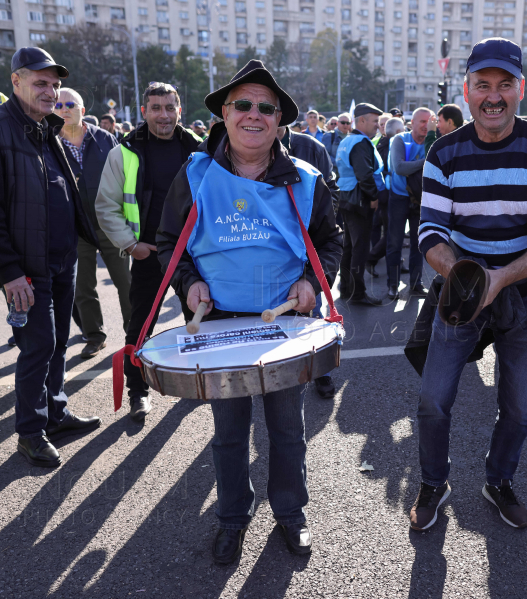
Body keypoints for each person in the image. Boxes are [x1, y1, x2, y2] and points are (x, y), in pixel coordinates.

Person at [157, 59, 342, 564]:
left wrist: (311, 282)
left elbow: (330, 241)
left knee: (287, 430)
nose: (254, 114)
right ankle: (233, 518)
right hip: (219, 328)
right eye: (243, 104)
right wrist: (191, 284)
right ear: (224, 113)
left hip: (284, 327)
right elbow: (171, 244)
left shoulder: (306, 179)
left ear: (279, 120)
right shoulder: (195, 173)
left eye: (267, 106)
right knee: (230, 433)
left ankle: (290, 514)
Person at [411, 38, 527, 532]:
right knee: (432, 400)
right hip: (461, 290)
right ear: (466, 90)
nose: (493, 95)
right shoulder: (443, 150)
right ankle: (433, 482)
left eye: (504, 84)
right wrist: (469, 277)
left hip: (524, 290)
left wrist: (501, 277)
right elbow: (429, 234)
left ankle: (499, 480)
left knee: (519, 410)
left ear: (520, 89)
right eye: (482, 84)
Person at [0, 47, 102, 468]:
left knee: (58, 343)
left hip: (61, 259)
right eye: (41, 83)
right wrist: (10, 273)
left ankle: (55, 412)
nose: (51, 91)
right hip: (26, 268)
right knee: (38, 346)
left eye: (55, 84)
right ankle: (30, 433)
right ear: (16, 81)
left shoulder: (46, 128)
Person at [95, 82, 203, 421]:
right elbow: (106, 206)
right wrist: (131, 245)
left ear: (179, 110)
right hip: (149, 254)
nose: (164, 115)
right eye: (156, 108)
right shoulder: (124, 152)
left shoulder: (197, 149)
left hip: (190, 254)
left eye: (170, 107)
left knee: (197, 321)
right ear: (144, 112)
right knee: (140, 327)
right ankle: (138, 394)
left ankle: (195, 381)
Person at [55, 88, 131, 359]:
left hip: (111, 224)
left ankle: (134, 335)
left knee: (126, 283)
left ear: (82, 110)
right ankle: (94, 336)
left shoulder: (106, 139)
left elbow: (124, 180)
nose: (64, 109)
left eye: (70, 104)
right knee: (83, 286)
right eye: (58, 105)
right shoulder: (49, 142)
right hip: (75, 229)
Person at [276, 123, 340, 400]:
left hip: (308, 249)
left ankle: (320, 372)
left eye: (270, 108)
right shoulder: (240, 149)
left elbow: (332, 191)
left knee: (313, 312)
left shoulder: (312, 148)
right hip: (273, 258)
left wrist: (313, 222)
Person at [336, 103, 386, 306]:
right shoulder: (360, 143)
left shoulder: (348, 140)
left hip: (347, 199)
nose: (377, 125)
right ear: (362, 120)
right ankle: (357, 293)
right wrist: (374, 196)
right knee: (360, 249)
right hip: (359, 201)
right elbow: (364, 175)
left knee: (349, 247)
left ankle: (347, 289)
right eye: (374, 121)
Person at [385, 107, 431, 299]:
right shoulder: (400, 139)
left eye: (429, 121)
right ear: (412, 123)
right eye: (422, 121)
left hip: (421, 199)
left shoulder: (432, 142)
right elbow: (400, 167)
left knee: (418, 243)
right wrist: (425, 162)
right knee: (394, 242)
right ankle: (393, 285)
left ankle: (416, 283)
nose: (426, 125)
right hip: (399, 197)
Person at [367, 116, 402, 278]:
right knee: (391, 233)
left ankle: (393, 263)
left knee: (390, 232)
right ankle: (371, 258)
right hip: (387, 193)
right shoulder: (387, 144)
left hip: (386, 192)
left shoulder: (382, 143)